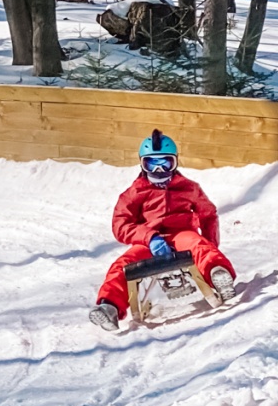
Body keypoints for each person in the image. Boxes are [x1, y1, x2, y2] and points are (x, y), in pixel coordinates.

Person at [89, 130, 237, 332]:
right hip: (149, 243)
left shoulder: (188, 188)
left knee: (199, 246)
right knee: (122, 265)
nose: (159, 169)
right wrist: (149, 237)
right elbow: (120, 224)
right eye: (152, 163)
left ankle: (218, 274)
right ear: (142, 164)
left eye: (165, 163)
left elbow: (208, 214)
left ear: (175, 162)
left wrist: (211, 244)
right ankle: (109, 305)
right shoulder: (135, 192)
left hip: (182, 235)